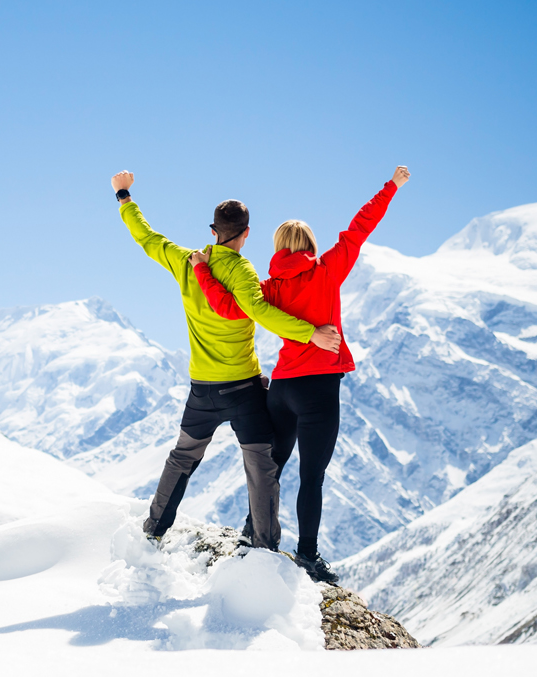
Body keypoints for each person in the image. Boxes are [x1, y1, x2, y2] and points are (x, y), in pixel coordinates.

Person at [190, 165, 411, 584]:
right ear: (310, 244)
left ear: (277, 247)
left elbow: (228, 306)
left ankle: (253, 530)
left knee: (271, 466)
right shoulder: (328, 270)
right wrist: (392, 186)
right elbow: (359, 227)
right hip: (318, 391)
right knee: (312, 477)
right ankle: (307, 555)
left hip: (282, 388)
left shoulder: (267, 288)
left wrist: (203, 268)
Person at [111, 170, 329, 552]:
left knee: (181, 457)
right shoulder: (242, 271)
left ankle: (153, 529)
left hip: (201, 390)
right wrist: (310, 333)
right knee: (261, 465)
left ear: (214, 231)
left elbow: (147, 238)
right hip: (243, 389)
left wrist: (124, 197)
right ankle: (263, 546)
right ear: (247, 233)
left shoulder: (185, 261)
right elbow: (260, 311)